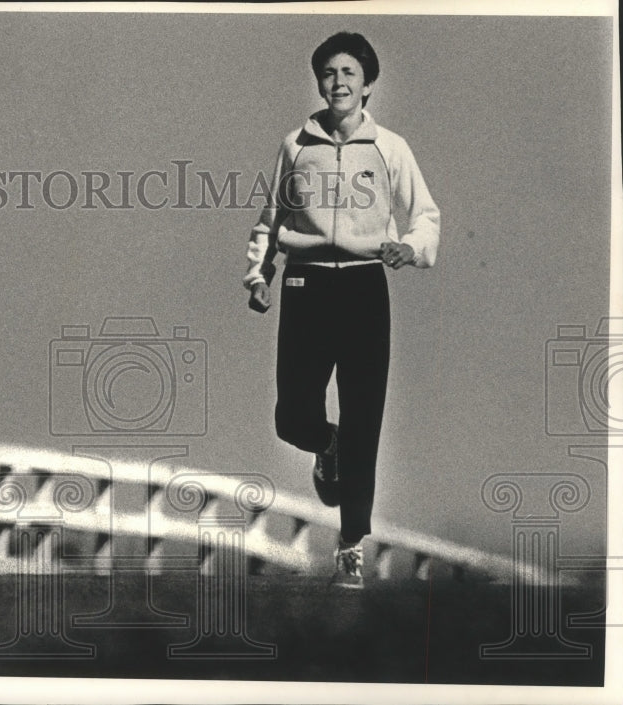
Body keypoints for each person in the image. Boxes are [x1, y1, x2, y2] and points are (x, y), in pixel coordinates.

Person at [244, 31, 440, 589]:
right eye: (329, 73)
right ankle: (324, 443)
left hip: (363, 289)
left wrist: (411, 248)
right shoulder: (294, 147)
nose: (338, 83)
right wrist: (260, 275)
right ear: (319, 81)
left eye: (349, 73)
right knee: (292, 415)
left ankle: (351, 548)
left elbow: (425, 214)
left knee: (364, 422)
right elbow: (270, 223)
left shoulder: (390, 149)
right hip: (306, 288)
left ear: (369, 85)